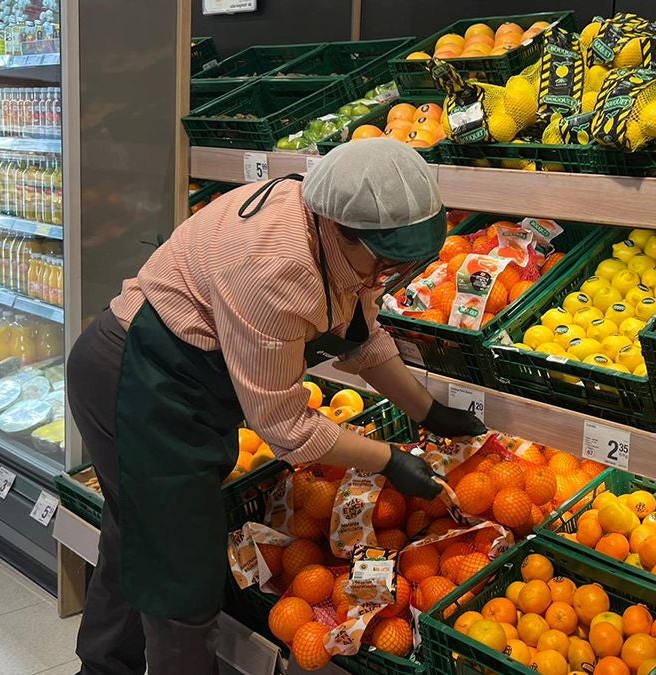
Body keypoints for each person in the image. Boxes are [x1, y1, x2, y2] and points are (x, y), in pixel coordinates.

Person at [65, 139, 485, 675]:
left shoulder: (335, 239)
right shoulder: (274, 267)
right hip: (137, 381)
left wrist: (428, 411)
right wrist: (388, 459)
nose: (387, 275)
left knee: (140, 536)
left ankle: (100, 669)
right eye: (385, 260)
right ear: (340, 227)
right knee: (182, 573)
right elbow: (284, 426)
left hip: (180, 385)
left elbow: (362, 336)